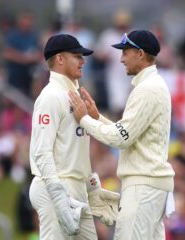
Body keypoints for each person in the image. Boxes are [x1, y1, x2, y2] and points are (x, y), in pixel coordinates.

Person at [69, 30, 175, 240]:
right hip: (151, 184)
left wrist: (84, 120)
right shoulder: (152, 85)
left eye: (126, 52)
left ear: (141, 54)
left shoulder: (147, 89)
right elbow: (128, 132)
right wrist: (97, 118)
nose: (121, 58)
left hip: (143, 185)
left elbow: (120, 139)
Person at [28, 34, 119, 240]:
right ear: (60, 59)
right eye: (77, 56)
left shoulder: (75, 95)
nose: (83, 61)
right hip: (55, 188)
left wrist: (92, 186)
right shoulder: (50, 96)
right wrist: (58, 195)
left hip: (78, 188)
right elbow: (41, 152)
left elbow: (74, 150)